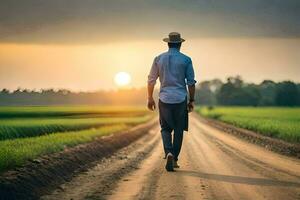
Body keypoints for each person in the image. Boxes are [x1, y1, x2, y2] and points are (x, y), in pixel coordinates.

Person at [147, 32, 196, 172]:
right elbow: (191, 83)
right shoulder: (186, 60)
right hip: (180, 99)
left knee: (165, 128)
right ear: (180, 44)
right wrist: (191, 100)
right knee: (179, 129)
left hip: (164, 98)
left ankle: (168, 152)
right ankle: (174, 158)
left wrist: (150, 98)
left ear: (168, 43)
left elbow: (151, 80)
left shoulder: (158, 58)